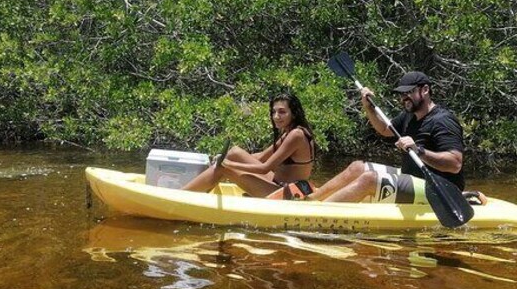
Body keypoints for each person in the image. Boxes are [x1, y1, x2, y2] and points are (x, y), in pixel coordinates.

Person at [308, 71, 464, 203]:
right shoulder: (409, 116)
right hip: (411, 176)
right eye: (402, 94)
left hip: (439, 188)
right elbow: (384, 129)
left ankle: (320, 213)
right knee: (357, 167)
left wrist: (419, 151)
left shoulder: (443, 121)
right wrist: (368, 107)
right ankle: (310, 201)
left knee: (369, 179)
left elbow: (455, 163)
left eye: (409, 92)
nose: (404, 98)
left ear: (425, 90)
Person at [182, 93, 315, 198]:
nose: (276, 116)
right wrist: (228, 159)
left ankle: (183, 195)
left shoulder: (296, 135)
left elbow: (264, 168)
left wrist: (227, 164)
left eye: (282, 112)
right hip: (278, 183)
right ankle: (197, 192)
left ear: (294, 113)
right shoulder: (291, 132)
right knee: (234, 152)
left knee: (223, 168)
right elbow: (261, 157)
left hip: (286, 194)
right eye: (274, 112)